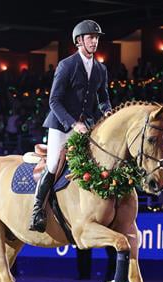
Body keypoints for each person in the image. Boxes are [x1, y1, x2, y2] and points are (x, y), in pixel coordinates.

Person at [30, 19, 112, 232]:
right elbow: (54, 101)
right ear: (79, 41)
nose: (94, 41)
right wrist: (73, 124)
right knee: (53, 164)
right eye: (90, 38)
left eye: (96, 38)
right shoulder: (67, 65)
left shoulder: (101, 69)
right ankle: (37, 211)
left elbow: (103, 98)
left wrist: (108, 112)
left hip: (88, 125)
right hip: (61, 125)